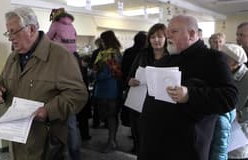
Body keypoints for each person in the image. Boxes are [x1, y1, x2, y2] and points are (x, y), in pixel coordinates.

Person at [0, 7, 88, 160]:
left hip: (46, 145)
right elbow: (2, 80)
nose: (10, 38)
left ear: (32, 29)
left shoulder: (60, 55)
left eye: (14, 32)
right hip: (17, 144)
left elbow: (78, 94)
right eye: (8, 32)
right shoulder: (13, 57)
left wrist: (48, 110)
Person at [137, 15, 238, 160]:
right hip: (153, 143)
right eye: (168, 31)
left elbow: (230, 97)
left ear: (191, 34)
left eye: (174, 31)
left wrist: (190, 95)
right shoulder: (166, 59)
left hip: (184, 147)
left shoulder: (213, 59)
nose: (168, 35)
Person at [126, 23, 168, 155]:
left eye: (160, 36)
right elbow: (129, 75)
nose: (156, 40)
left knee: (157, 140)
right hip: (139, 103)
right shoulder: (142, 55)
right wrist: (130, 81)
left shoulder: (172, 56)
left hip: (161, 106)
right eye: (153, 37)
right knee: (139, 137)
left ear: (166, 38)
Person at [47, 8, 82, 160]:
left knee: (56, 123)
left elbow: (46, 42)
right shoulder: (72, 27)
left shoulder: (55, 25)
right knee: (72, 124)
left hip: (57, 64)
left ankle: (60, 155)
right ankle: (75, 156)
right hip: (72, 65)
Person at [93, 30, 122, 153]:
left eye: (103, 40)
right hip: (106, 88)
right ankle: (111, 140)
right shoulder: (108, 53)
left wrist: (96, 75)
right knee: (109, 116)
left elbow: (111, 72)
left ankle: (112, 141)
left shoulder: (111, 54)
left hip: (109, 88)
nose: (102, 42)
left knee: (111, 116)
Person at [208, 33, 236, 160]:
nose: (217, 44)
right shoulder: (207, 59)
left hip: (225, 114)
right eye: (214, 41)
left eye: (220, 41)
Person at [222, 44, 248, 160]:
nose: (220, 61)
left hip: (240, 131)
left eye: (224, 58)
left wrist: (240, 114)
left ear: (235, 63)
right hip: (222, 127)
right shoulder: (222, 73)